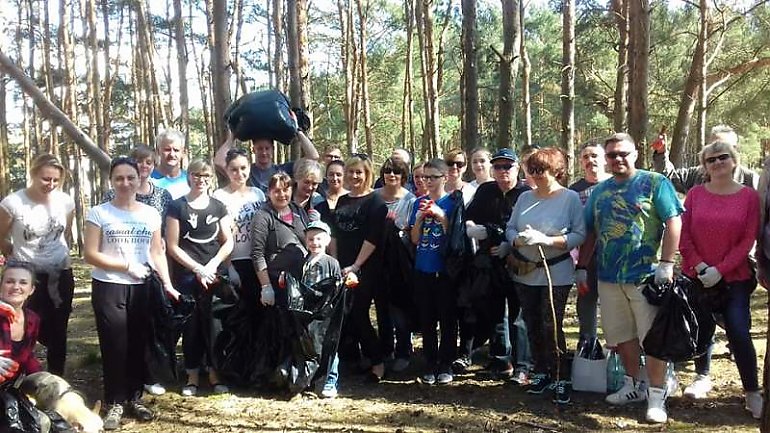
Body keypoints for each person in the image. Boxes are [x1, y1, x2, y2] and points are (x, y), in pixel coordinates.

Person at [578, 133, 683, 423]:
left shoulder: (654, 182)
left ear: (635, 154)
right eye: (612, 155)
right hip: (609, 277)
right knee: (622, 336)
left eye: (623, 153)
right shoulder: (599, 192)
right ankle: (632, 385)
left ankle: (657, 395)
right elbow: (590, 232)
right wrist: (582, 266)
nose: (617, 159)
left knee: (652, 339)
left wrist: (666, 263)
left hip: (646, 276)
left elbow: (674, 220)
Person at [84, 156, 179, 430]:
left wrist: (168, 283)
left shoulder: (150, 214)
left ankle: (135, 397)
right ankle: (114, 401)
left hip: (142, 288)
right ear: (111, 181)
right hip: (109, 286)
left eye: (130, 178)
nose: (125, 183)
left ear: (139, 180)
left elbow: (157, 251)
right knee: (114, 344)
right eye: (119, 178)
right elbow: (91, 254)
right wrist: (127, 266)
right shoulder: (99, 213)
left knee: (139, 342)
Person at [679, 141, 762, 418]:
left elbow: (748, 238)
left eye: (723, 157)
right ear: (704, 166)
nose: (717, 163)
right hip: (698, 276)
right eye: (711, 160)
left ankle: (752, 392)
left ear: (734, 160)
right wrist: (702, 267)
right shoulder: (695, 195)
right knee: (702, 330)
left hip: (735, 277)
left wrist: (721, 270)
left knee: (738, 331)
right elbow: (685, 236)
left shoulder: (749, 196)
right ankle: (702, 377)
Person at [505, 147, 585, 404]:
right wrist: (516, 240)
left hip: (556, 273)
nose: (537, 175)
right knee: (532, 323)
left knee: (552, 325)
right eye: (533, 170)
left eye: (542, 170)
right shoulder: (525, 198)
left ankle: (561, 375)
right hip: (525, 272)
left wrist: (547, 240)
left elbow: (579, 235)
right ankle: (540, 371)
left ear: (556, 171)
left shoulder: (569, 198)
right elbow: (509, 227)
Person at [105, 145, 174, 396]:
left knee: (149, 326)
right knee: (119, 333)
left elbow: (165, 229)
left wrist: (166, 279)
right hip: (115, 276)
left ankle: (148, 375)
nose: (143, 167)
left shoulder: (162, 196)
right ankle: (119, 387)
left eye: (148, 163)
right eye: (139, 162)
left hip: (153, 266)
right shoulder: (105, 202)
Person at [0, 154, 74, 377]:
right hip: (26, 276)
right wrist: (12, 253)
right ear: (33, 174)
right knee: (23, 326)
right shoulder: (13, 203)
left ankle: (56, 378)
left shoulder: (65, 201)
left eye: (55, 180)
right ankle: (17, 375)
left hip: (59, 273)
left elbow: (66, 232)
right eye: (45, 179)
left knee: (58, 329)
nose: (50, 185)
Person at [166, 160, 234, 397]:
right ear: (189, 176)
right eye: (196, 175)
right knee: (192, 327)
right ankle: (192, 374)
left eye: (205, 175)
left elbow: (228, 241)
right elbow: (173, 246)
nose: (201, 179)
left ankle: (215, 373)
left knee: (214, 326)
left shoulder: (218, 206)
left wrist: (212, 266)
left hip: (214, 274)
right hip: (187, 276)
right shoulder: (177, 207)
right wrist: (197, 269)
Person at [462, 148, 531, 381]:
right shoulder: (485, 190)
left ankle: (523, 366)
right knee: (495, 313)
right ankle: (501, 360)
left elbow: (526, 228)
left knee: (518, 315)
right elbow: (469, 216)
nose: (502, 171)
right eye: (498, 167)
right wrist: (473, 228)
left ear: (517, 168)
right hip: (489, 262)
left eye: (507, 166)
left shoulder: (526, 193)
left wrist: (508, 246)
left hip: (518, 260)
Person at [329, 155, 388, 381]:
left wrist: (355, 266)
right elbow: (335, 233)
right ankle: (354, 359)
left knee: (359, 313)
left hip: (365, 266)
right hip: (341, 265)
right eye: (351, 171)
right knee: (347, 315)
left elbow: (372, 239)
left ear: (367, 174)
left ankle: (378, 363)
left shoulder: (376, 203)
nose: (354, 176)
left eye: (359, 172)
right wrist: (336, 262)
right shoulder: (343, 201)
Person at [409, 158, 457, 385]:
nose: (427, 182)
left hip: (445, 270)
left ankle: (446, 363)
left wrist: (441, 216)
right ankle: (430, 362)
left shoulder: (453, 203)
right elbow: (415, 239)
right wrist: (419, 218)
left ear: (445, 178)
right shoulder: (418, 202)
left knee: (447, 319)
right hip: (423, 268)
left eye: (433, 177)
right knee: (426, 318)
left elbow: (456, 237)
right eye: (424, 177)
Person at [375, 157, 416, 372]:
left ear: (403, 176)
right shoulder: (373, 198)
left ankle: (403, 351)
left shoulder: (410, 199)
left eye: (397, 172)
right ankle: (385, 350)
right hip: (377, 260)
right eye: (388, 171)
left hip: (401, 262)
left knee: (400, 307)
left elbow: (412, 230)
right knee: (382, 308)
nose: (392, 175)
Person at [212, 148, 266, 305]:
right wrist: (229, 267)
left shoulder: (258, 194)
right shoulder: (219, 196)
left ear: (249, 167)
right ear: (227, 170)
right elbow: (220, 235)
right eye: (234, 169)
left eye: (243, 168)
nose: (239, 173)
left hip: (257, 261)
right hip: (234, 260)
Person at [570, 141, 610, 344]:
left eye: (594, 155)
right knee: (586, 303)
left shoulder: (615, 185)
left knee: (615, 305)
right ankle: (588, 346)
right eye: (585, 157)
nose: (590, 161)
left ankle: (619, 351)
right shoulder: (573, 191)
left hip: (614, 256)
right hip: (586, 258)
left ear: (604, 159)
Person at [250, 172, 310, 307]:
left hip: (302, 281)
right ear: (269, 192)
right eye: (277, 191)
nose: (282, 195)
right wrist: (266, 287)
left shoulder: (298, 210)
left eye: (285, 190)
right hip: (278, 283)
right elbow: (257, 254)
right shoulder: (263, 216)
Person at [301, 221, 344, 398]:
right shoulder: (304, 262)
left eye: (319, 239)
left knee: (329, 346)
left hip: (327, 313)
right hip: (309, 312)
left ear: (327, 240)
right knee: (311, 346)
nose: (314, 243)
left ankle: (330, 381)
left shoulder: (331, 263)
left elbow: (337, 287)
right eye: (310, 239)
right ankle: (309, 380)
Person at [651, 125, 758, 193]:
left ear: (735, 150)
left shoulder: (750, 179)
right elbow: (668, 179)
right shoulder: (696, 174)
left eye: (723, 149)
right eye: (713, 147)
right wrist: (661, 153)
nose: (718, 158)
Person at [214, 131, 319, 193]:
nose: (264, 152)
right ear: (253, 150)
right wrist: (233, 136)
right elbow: (218, 161)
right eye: (259, 148)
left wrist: (297, 131)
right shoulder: (245, 171)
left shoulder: (284, 170)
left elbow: (313, 157)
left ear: (272, 149)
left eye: (267, 148)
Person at [0, 261, 41, 383]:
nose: (16, 287)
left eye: (23, 282)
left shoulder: (33, 319)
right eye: (9, 282)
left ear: (31, 289)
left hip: (11, 387)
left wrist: (42, 377)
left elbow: (27, 356)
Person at [151, 129, 191, 200]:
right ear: (158, 151)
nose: (172, 154)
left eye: (176, 150)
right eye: (167, 150)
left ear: (183, 153)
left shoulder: (191, 180)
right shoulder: (148, 180)